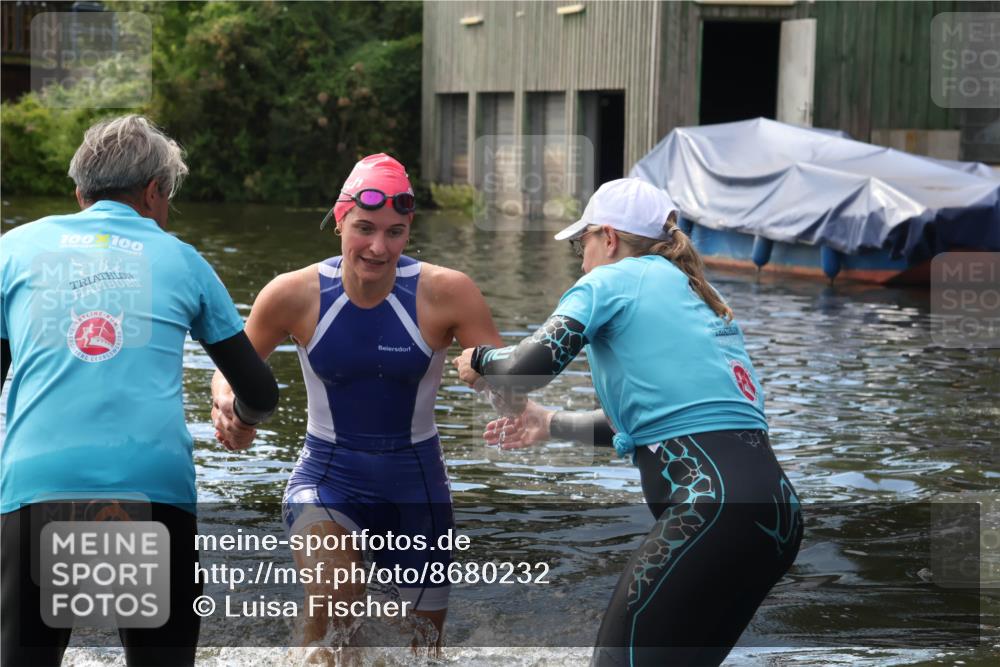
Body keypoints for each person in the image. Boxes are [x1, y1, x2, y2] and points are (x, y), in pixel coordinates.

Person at [455, 178, 803, 666]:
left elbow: (528, 368)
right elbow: (659, 425)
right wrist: (549, 423)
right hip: (776, 516)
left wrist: (482, 359)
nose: (581, 259)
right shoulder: (699, 294)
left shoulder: (608, 281)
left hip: (712, 508)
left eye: (583, 243)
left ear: (609, 238)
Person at [0, 115, 279, 666]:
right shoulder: (182, 260)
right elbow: (261, 391)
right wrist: (238, 414)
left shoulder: (12, 250)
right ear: (154, 193)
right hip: (150, 494)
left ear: (80, 193)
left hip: (38, 488)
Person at [211, 153, 503, 654]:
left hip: (418, 493)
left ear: (409, 230)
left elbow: (511, 383)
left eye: (394, 232)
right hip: (326, 478)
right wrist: (228, 407)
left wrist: (490, 372)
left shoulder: (446, 292)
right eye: (364, 228)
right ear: (339, 220)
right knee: (336, 596)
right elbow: (230, 367)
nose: (377, 246)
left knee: (422, 652)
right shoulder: (294, 294)